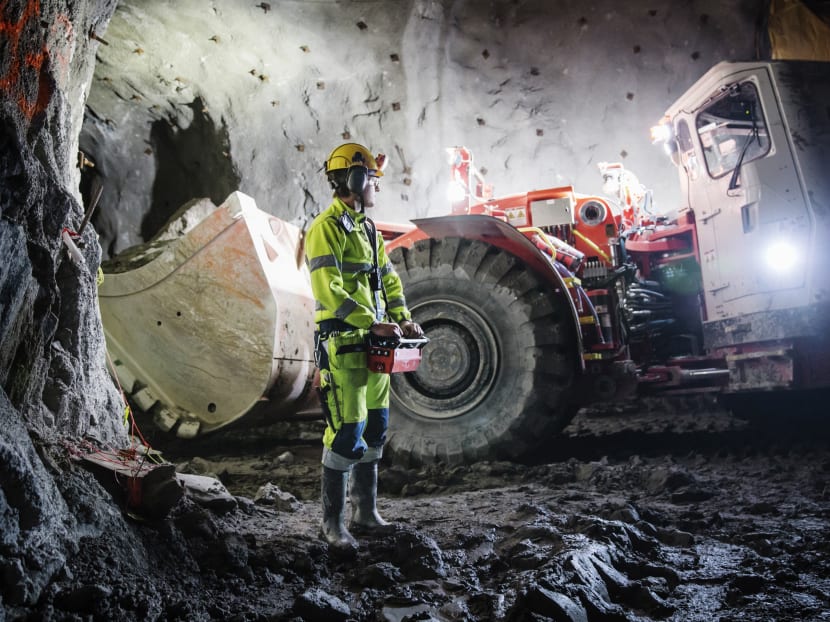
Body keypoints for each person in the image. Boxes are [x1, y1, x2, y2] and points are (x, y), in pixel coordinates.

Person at [305, 142, 424, 554]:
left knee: (375, 427)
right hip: (343, 344)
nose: (376, 187)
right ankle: (332, 524)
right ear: (355, 181)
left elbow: (387, 279)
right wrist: (370, 320)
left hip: (374, 345)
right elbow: (328, 289)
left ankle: (365, 514)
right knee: (346, 432)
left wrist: (402, 315)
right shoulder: (325, 229)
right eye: (373, 179)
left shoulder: (368, 230)